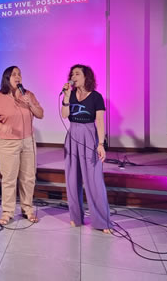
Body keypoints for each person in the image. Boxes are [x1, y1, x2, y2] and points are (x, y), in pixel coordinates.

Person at [0, 66, 44, 225]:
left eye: (19, 74)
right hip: (7, 141)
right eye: (14, 74)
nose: (17, 77)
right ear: (7, 78)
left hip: (28, 140)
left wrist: (30, 104)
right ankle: (7, 212)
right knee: (9, 178)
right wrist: (1, 126)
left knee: (28, 177)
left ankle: (27, 209)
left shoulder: (28, 95)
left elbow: (40, 114)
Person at [61, 64, 112, 234]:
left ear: (86, 77)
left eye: (77, 73)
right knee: (72, 178)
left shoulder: (96, 97)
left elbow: (100, 121)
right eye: (72, 74)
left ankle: (101, 221)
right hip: (73, 136)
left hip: (90, 137)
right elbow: (64, 115)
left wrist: (101, 144)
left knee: (94, 181)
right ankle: (76, 216)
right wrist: (66, 97)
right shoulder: (71, 95)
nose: (73, 76)